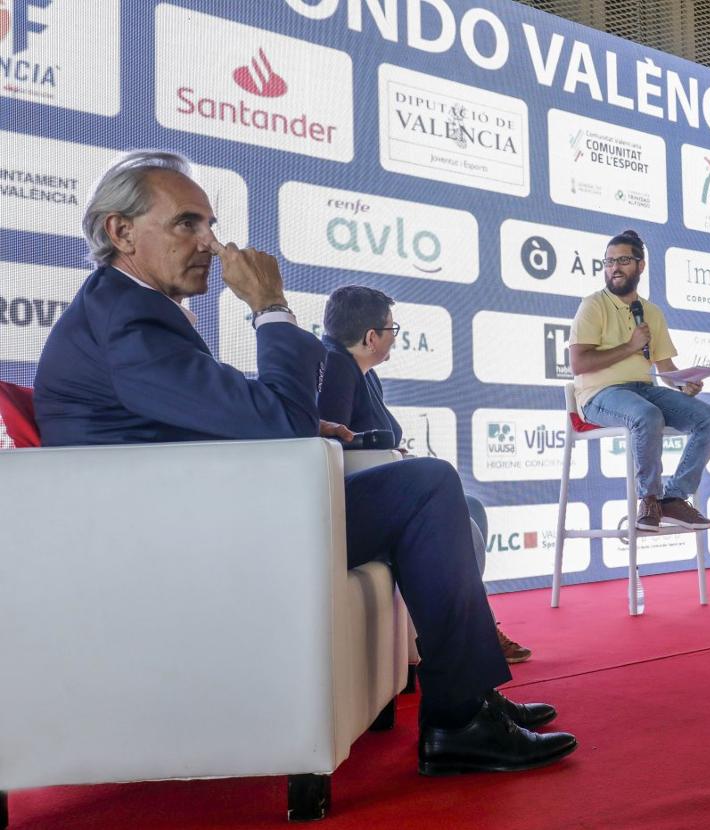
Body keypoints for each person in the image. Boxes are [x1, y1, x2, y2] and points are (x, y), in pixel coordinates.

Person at [33, 150, 576, 775]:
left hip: (188, 516)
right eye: (187, 223)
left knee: (426, 488)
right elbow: (278, 422)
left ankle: (470, 703)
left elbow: (209, 416)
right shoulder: (128, 319)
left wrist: (292, 418)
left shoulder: (127, 310)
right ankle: (459, 718)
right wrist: (270, 307)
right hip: (183, 539)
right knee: (426, 487)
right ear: (120, 232)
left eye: (210, 224)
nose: (209, 243)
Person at [318, 285, 531, 663]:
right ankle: (467, 636)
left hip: (381, 492)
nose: (394, 336)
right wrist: (388, 457)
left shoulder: (364, 373)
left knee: (473, 508)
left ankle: (470, 625)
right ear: (371, 338)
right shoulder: (335, 367)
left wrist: (392, 454)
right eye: (391, 329)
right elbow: (331, 445)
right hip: (353, 509)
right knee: (458, 519)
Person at [569, 229, 710, 531]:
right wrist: (629, 346)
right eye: (609, 261)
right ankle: (649, 499)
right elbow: (578, 364)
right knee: (647, 416)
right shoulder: (593, 305)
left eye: (623, 260)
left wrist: (683, 384)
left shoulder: (651, 312)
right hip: (599, 394)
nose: (615, 267)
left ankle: (674, 499)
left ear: (640, 265)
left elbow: (665, 368)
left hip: (644, 390)